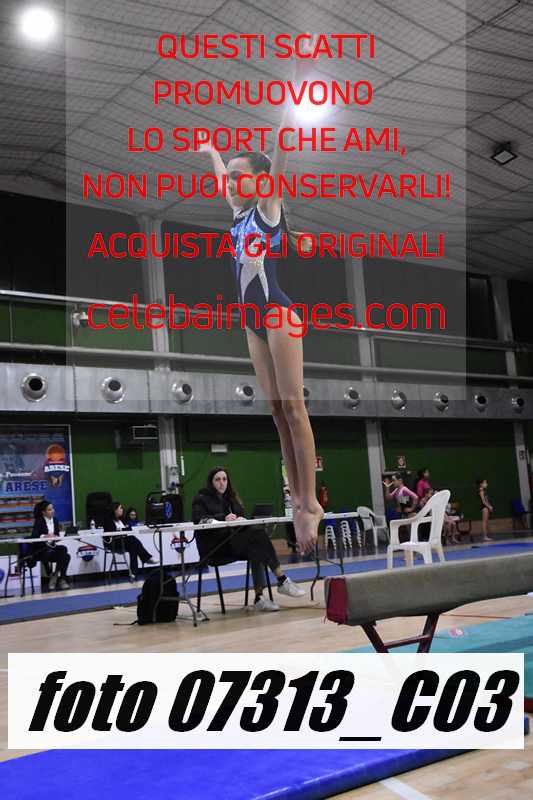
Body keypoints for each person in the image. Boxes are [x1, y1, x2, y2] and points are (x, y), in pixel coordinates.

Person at [198, 36, 323, 555]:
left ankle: (309, 501)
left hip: (278, 314)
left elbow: (280, 152)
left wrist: (290, 104)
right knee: (275, 410)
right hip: (251, 321)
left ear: (260, 181)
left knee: (293, 406)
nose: (229, 183)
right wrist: (212, 153)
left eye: (238, 177)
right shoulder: (236, 215)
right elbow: (219, 177)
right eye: (228, 178)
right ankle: (296, 496)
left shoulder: (268, 209)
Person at [191, 467, 305, 612]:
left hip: (232, 544)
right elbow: (198, 519)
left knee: (257, 546)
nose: (221, 483)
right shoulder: (201, 498)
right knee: (258, 540)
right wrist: (223, 518)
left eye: (224, 479)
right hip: (215, 548)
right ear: (211, 482)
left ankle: (259, 598)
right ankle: (282, 580)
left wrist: (243, 520)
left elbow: (239, 520)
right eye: (217, 480)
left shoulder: (231, 498)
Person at [103, 502, 155, 578]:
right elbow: (112, 531)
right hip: (113, 543)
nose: (122, 510)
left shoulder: (121, 519)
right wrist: (122, 529)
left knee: (133, 546)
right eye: (120, 508)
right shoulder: (108, 520)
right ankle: (146, 558)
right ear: (115, 510)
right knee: (132, 539)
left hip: (124, 542)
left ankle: (133, 573)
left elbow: (129, 528)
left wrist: (120, 529)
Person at [30, 500, 71, 590]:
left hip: (52, 547)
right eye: (49, 509)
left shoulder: (55, 520)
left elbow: (57, 535)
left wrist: (56, 536)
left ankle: (57, 576)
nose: (53, 511)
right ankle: (58, 578)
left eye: (52, 508)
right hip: (42, 549)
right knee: (64, 556)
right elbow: (34, 535)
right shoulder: (39, 521)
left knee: (65, 552)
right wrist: (45, 536)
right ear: (43, 512)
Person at [477, 478, 493, 542]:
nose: (486, 484)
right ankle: (484, 536)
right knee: (484, 522)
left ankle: (486, 536)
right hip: (484, 507)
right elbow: (483, 501)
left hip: (486, 507)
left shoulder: (484, 490)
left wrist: (489, 506)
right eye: (485, 483)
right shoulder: (481, 491)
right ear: (481, 484)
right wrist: (489, 506)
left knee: (486, 521)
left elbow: (486, 500)